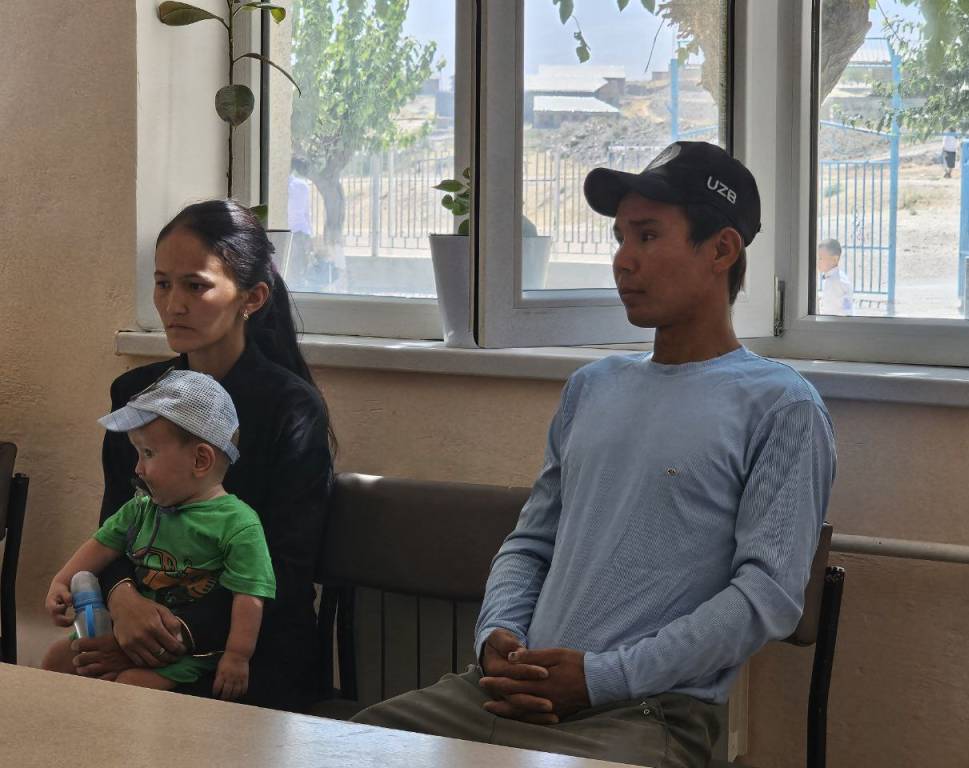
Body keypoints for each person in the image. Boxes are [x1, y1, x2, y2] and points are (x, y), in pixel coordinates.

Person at [352, 142, 837, 767]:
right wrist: (498, 634)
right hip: (504, 693)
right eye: (620, 237)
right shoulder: (592, 386)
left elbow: (766, 597)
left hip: (643, 712)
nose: (622, 261)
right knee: (337, 748)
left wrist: (601, 678)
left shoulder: (781, 406)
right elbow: (530, 544)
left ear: (721, 250)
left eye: (647, 236)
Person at [68, 199, 335, 711]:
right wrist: (123, 599)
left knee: (121, 699)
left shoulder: (290, 407)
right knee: (59, 669)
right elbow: (115, 526)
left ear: (252, 298)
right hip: (145, 619)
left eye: (196, 286)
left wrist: (166, 636)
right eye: (162, 283)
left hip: (248, 646)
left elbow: (285, 569)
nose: (173, 305)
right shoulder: (136, 394)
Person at [43, 370, 276, 701]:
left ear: (200, 460)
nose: (137, 468)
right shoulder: (141, 508)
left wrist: (238, 656)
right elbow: (101, 545)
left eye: (148, 453)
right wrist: (61, 581)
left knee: (130, 686)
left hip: (181, 654)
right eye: (138, 453)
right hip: (126, 631)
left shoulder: (238, 525)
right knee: (56, 659)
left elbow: (249, 596)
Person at [816, 238, 853, 316]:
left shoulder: (840, 282)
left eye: (820, 258)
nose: (817, 261)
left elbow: (847, 311)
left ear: (835, 259)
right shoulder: (829, 277)